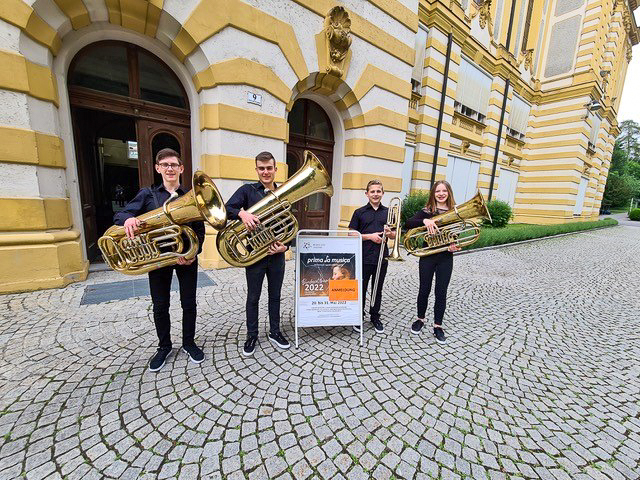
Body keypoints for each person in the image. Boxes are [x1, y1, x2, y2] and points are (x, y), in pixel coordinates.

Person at [114, 148, 206, 371]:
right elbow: (121, 214)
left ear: (181, 168)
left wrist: (194, 253)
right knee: (160, 305)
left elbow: (199, 230)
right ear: (158, 168)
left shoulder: (190, 196)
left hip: (185, 257)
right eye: (165, 165)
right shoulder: (147, 195)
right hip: (158, 258)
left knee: (188, 303)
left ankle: (189, 342)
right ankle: (164, 346)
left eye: (174, 165)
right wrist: (128, 221)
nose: (170, 169)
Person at [224, 151, 290, 356]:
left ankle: (275, 331)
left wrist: (285, 247)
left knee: (275, 296)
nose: (265, 172)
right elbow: (227, 208)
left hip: (277, 254)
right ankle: (252, 334)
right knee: (253, 297)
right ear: (256, 170)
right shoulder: (247, 190)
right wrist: (242, 213)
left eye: (269, 168)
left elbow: (291, 224)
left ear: (275, 170)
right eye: (261, 168)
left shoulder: (285, 192)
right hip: (255, 254)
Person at [405, 180, 461, 343]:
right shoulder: (427, 211)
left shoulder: (455, 212)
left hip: (445, 256)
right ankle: (420, 319)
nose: (441, 194)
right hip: (428, 255)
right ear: (433, 194)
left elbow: (456, 234)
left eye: (444, 191)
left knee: (441, 292)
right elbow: (408, 223)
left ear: (449, 192)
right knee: (424, 289)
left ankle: (438, 326)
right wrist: (425, 221)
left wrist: (453, 245)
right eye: (438, 191)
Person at [348, 179, 396, 334]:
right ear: (367, 194)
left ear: (383, 193)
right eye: (372, 191)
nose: (375, 194)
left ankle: (375, 316)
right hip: (363, 256)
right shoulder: (359, 212)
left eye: (378, 191)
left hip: (382, 257)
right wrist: (370, 237)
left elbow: (395, 235)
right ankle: (358, 316)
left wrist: (391, 234)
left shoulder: (389, 212)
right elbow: (351, 234)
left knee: (378, 288)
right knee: (361, 288)